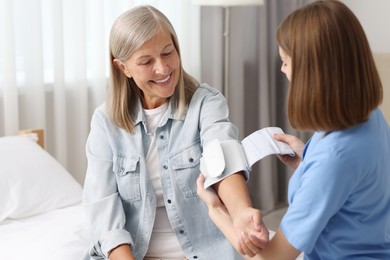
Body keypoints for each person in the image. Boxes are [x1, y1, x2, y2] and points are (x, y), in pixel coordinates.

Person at [196, 0, 390, 259]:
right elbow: (356, 185)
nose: (282, 69)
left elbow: (274, 258)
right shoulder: (367, 115)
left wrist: (217, 212)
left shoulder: (333, 159)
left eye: (286, 61)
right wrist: (307, 161)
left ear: (313, 74)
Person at [82, 5, 269, 260]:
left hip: (206, 252)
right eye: (147, 61)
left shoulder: (206, 103)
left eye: (168, 53)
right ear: (122, 67)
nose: (163, 68)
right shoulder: (105, 123)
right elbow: (102, 209)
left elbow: (222, 158)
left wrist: (242, 212)